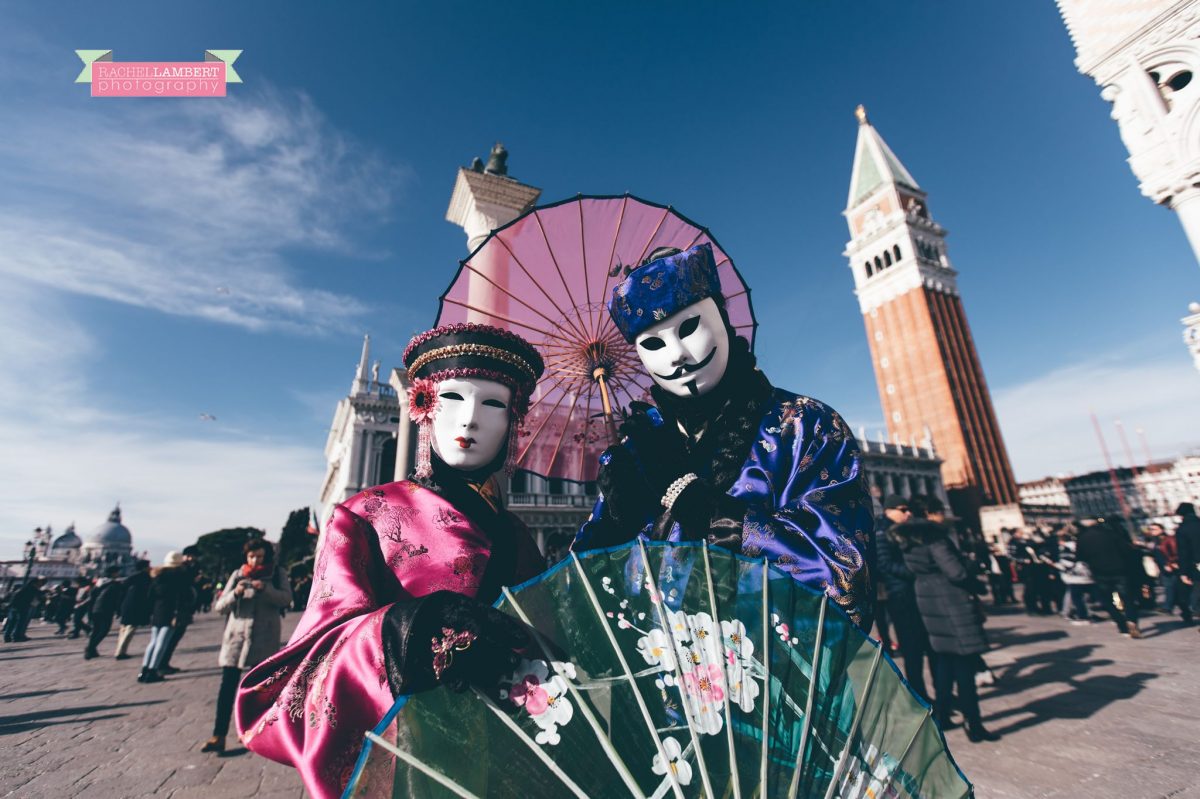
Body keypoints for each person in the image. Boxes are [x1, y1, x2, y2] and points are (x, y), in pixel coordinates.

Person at [237, 323, 548, 797]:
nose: (469, 421)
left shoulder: (516, 534)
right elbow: (316, 655)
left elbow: (550, 633)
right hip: (407, 751)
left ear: (513, 422)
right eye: (451, 400)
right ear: (423, 408)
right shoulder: (362, 517)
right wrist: (409, 629)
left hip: (512, 751)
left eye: (492, 404)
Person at [574, 243, 875, 627]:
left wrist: (706, 509)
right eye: (652, 343)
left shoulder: (806, 428)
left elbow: (847, 590)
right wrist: (616, 524)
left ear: (722, 319)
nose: (677, 354)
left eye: (689, 327)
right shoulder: (638, 448)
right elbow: (586, 602)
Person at [893, 509, 998, 742]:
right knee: (963, 664)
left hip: (928, 603)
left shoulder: (909, 545)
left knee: (944, 662)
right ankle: (974, 723)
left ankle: (941, 716)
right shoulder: (936, 541)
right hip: (951, 603)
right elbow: (956, 572)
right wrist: (971, 568)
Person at [202, 538, 292, 754]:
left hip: (264, 638)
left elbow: (287, 599)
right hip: (236, 638)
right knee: (227, 687)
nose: (255, 560)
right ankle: (219, 734)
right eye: (252, 556)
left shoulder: (276, 574)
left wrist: (266, 590)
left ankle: (255, 732)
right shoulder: (238, 574)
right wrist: (236, 593)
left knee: (258, 690)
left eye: (260, 556)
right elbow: (220, 606)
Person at [876, 495, 931, 702]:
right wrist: (915, 572)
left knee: (926, 646)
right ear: (890, 510)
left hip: (915, 593)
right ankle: (919, 696)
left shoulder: (906, 529)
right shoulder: (883, 531)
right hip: (899, 594)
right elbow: (884, 564)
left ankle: (936, 695)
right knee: (912, 649)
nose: (908, 513)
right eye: (903, 509)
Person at [1076, 518, 1142, 638]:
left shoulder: (1083, 537)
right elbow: (1126, 550)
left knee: (1107, 601)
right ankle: (1132, 621)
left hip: (1099, 573)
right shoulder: (1111, 533)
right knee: (1127, 599)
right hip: (1120, 570)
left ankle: (1122, 626)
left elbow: (1080, 557)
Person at [138, 551, 190, 682]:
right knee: (163, 643)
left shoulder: (157, 575)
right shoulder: (179, 576)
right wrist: (178, 614)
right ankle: (153, 671)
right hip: (171, 612)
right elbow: (182, 597)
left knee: (153, 642)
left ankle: (144, 670)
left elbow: (150, 595)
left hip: (158, 612)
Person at [157, 548, 198, 674]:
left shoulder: (181, 571)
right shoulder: (180, 573)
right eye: (188, 556)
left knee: (170, 640)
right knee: (169, 640)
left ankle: (161, 663)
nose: (191, 559)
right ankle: (160, 664)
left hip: (179, 610)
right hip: (177, 611)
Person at [1054, 527, 1095, 624]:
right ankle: (1085, 613)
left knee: (1076, 596)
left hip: (1074, 576)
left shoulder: (1066, 548)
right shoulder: (1079, 544)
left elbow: (1067, 563)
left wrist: (1058, 566)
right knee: (1088, 594)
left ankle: (1082, 616)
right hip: (1086, 573)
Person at [114, 559, 152, 659]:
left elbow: (121, 592)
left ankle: (119, 650)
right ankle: (121, 652)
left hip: (126, 605)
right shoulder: (146, 578)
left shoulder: (130, 578)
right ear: (144, 567)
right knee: (130, 629)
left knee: (123, 629)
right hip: (136, 606)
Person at [85, 567, 126, 659]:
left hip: (95, 608)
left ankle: (92, 651)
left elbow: (92, 596)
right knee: (104, 631)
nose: (118, 574)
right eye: (117, 572)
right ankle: (89, 648)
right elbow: (118, 599)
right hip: (107, 609)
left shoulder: (99, 583)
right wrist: (118, 610)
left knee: (95, 630)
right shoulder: (115, 584)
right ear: (113, 574)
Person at [1175, 503, 1200, 628]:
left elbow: (1183, 552)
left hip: (1196, 565)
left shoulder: (1183, 529)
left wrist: (1183, 572)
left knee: (1194, 594)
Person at [3, 577, 44, 642]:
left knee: (12, 622)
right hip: (23, 607)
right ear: (35, 582)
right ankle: (16, 637)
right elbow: (39, 597)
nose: (41, 584)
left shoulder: (23, 587)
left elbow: (15, 596)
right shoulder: (32, 589)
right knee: (20, 622)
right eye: (40, 583)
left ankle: (7, 637)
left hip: (14, 606)